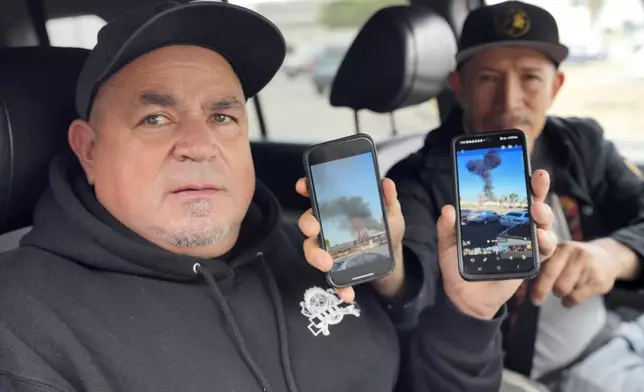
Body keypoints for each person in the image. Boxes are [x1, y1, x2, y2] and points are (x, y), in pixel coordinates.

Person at [0, 2, 558, 392]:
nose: (200, 145)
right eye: (155, 116)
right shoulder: (22, 328)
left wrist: (468, 313)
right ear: (89, 149)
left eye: (222, 115)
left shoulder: (314, 252)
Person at [388, 1, 644, 391]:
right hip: (502, 375)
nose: (510, 101)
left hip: (607, 342)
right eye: (489, 78)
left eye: (530, 78)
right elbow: (411, 285)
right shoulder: (415, 180)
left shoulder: (581, 145)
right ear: (459, 87)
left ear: (555, 87)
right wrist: (392, 276)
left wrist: (615, 254)